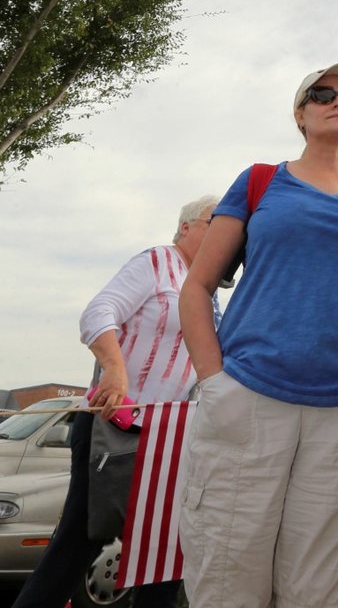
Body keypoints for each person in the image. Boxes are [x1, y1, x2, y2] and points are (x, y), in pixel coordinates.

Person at [178, 62, 338, 608]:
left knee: (328, 587)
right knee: (228, 575)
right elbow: (197, 286)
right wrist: (215, 382)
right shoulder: (260, 181)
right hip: (249, 399)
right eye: (324, 94)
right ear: (301, 113)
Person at [12, 195, 218, 608]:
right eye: (216, 223)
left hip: (169, 435)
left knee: (164, 546)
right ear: (187, 227)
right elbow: (98, 312)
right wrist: (115, 370)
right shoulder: (157, 262)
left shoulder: (208, 291)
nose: (225, 235)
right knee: (84, 536)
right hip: (115, 424)